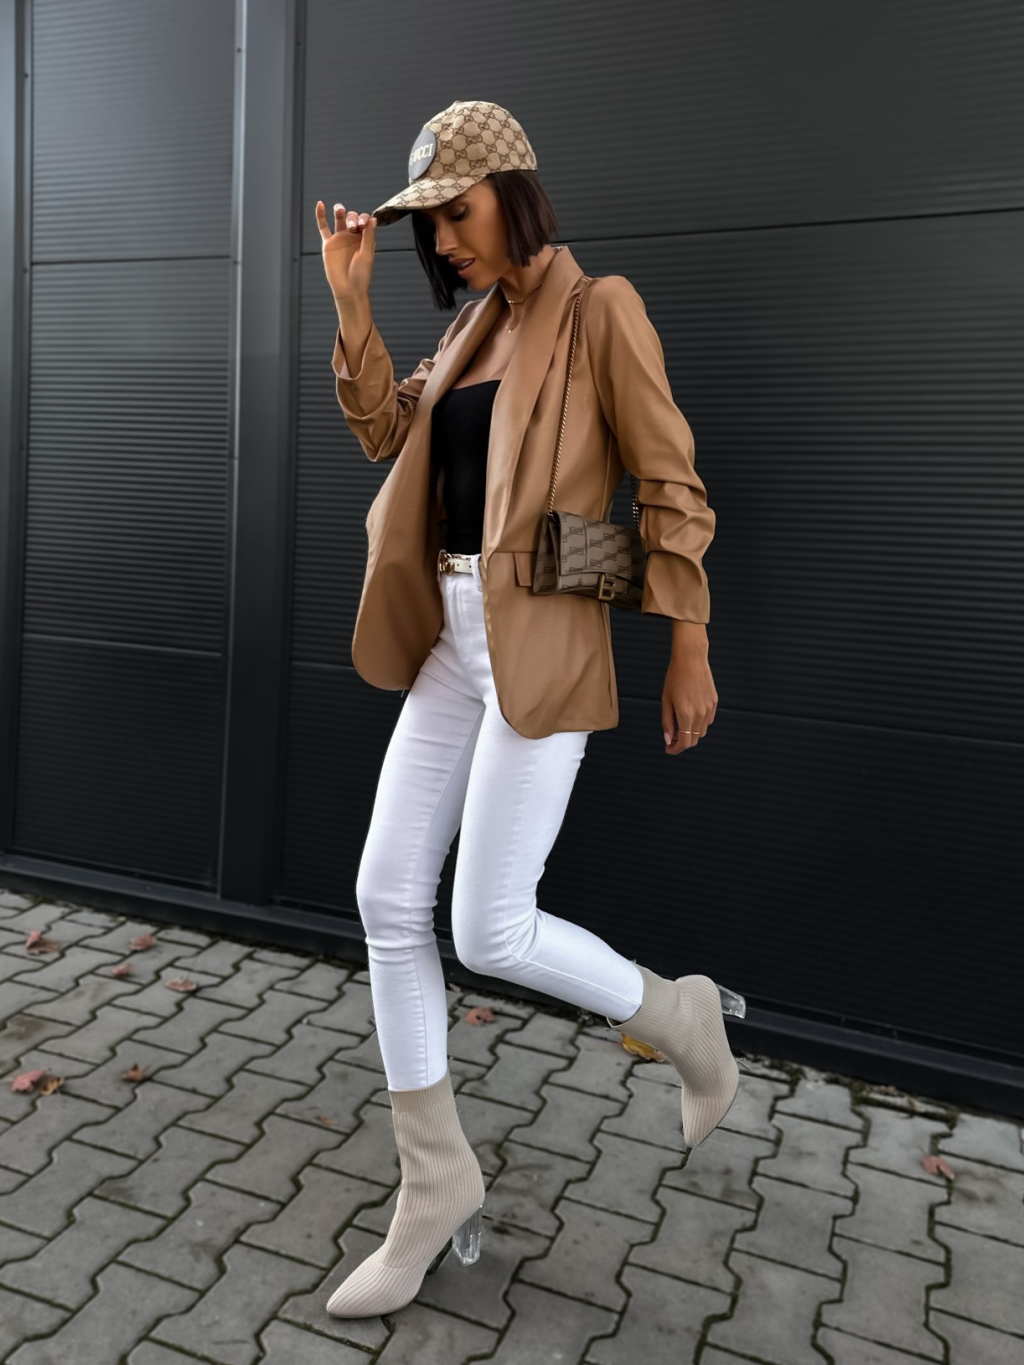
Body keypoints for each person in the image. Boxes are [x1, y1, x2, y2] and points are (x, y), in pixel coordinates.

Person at [314, 100, 745, 1321]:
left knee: (488, 930)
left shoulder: (599, 310)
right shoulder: (466, 329)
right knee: (385, 898)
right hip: (449, 640)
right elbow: (384, 435)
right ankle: (433, 1181)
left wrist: (688, 641)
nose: (444, 241)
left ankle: (681, 1017)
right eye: (429, 226)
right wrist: (352, 307)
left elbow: (668, 483)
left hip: (541, 641)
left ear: (513, 191)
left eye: (457, 213)